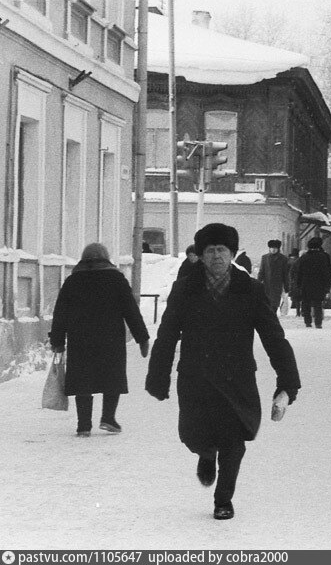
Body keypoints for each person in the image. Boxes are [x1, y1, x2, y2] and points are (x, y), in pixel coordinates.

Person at [145, 223, 300, 521]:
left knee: (234, 442)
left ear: (232, 254)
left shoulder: (250, 290)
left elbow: (273, 337)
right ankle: (205, 452)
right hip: (196, 377)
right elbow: (167, 333)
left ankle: (223, 499)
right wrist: (158, 376)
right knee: (194, 435)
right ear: (201, 256)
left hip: (236, 378)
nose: (217, 256)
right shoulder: (186, 288)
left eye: (222, 250)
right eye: (210, 250)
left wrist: (288, 383)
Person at [48, 243, 150, 437]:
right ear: (106, 257)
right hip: (110, 338)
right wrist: (142, 338)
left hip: (80, 339)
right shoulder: (116, 279)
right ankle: (108, 418)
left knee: (82, 379)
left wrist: (58, 340)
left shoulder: (73, 281)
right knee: (112, 377)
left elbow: (60, 312)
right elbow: (131, 310)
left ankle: (84, 425)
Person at [293, 236, 331, 328]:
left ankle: (307, 322)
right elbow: (328, 271)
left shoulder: (304, 257)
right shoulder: (324, 257)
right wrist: (329, 284)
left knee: (306, 303)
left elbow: (298, 272)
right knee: (318, 304)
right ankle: (318, 323)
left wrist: (298, 284)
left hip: (306, 284)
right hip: (319, 284)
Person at [257, 239, 290, 314]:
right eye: (271, 248)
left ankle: (272, 315)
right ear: (269, 248)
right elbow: (261, 271)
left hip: (277, 284)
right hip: (267, 284)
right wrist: (258, 282)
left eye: (275, 248)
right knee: (267, 303)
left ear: (278, 249)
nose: (273, 250)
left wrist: (286, 286)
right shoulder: (265, 257)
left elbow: (285, 273)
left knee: (275, 304)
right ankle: (269, 317)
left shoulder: (283, 259)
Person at [286, 248, 302, 318]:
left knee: (296, 296)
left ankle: (296, 310)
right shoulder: (299, 261)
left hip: (293, 280)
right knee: (301, 297)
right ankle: (301, 311)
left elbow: (288, 271)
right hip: (299, 280)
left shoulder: (289, 261)